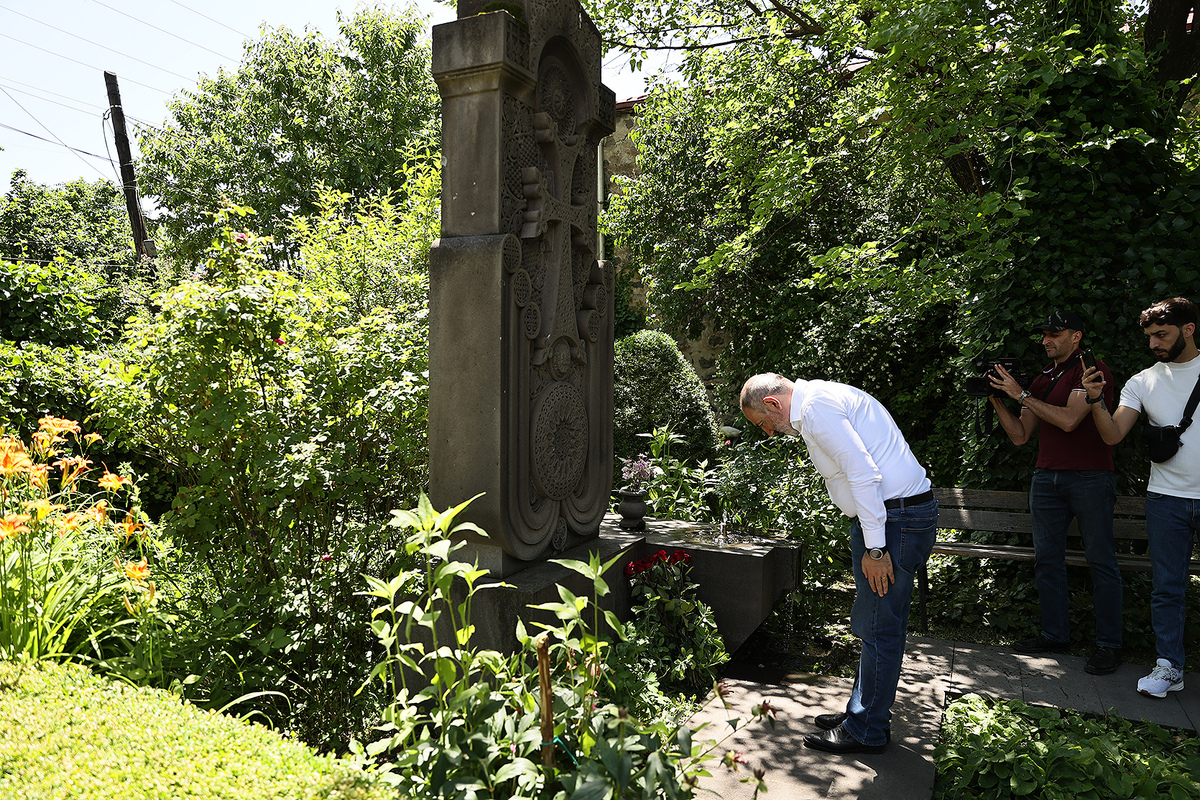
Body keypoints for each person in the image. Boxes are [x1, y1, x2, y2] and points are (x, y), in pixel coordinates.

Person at [740, 373, 937, 755]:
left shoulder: (817, 409)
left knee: (879, 628)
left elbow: (864, 473)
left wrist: (876, 550)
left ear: (773, 404)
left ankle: (866, 729)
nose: (769, 432)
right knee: (875, 624)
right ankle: (861, 713)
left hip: (893, 522)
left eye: (764, 423)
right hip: (892, 517)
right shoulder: (817, 402)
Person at [987, 310, 1123, 675]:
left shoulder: (1092, 370)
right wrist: (998, 398)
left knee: (1101, 561)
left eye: (1054, 333)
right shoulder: (1043, 376)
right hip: (1046, 477)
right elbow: (1020, 435)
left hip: (1090, 477)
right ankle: (1055, 635)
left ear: (1076, 336)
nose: (1046, 340)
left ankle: (1109, 645)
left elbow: (1068, 420)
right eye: (1044, 334)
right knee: (1047, 559)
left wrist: (1022, 394)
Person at [1082, 297, 1200, 698]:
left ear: (1188, 329)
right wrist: (1095, 400)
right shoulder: (1142, 381)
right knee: (1167, 588)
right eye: (1149, 336)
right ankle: (1169, 666)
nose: (1153, 344)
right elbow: (1113, 435)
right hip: (1165, 499)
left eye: (1161, 335)